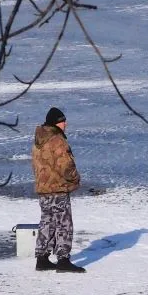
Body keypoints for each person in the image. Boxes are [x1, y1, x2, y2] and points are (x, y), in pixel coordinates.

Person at [31, 107, 85, 273]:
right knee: (63, 223)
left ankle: (42, 258)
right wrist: (75, 178)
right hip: (57, 188)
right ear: (56, 123)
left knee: (47, 221)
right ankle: (63, 259)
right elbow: (66, 165)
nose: (65, 124)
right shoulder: (57, 140)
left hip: (44, 189)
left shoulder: (38, 141)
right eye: (62, 121)